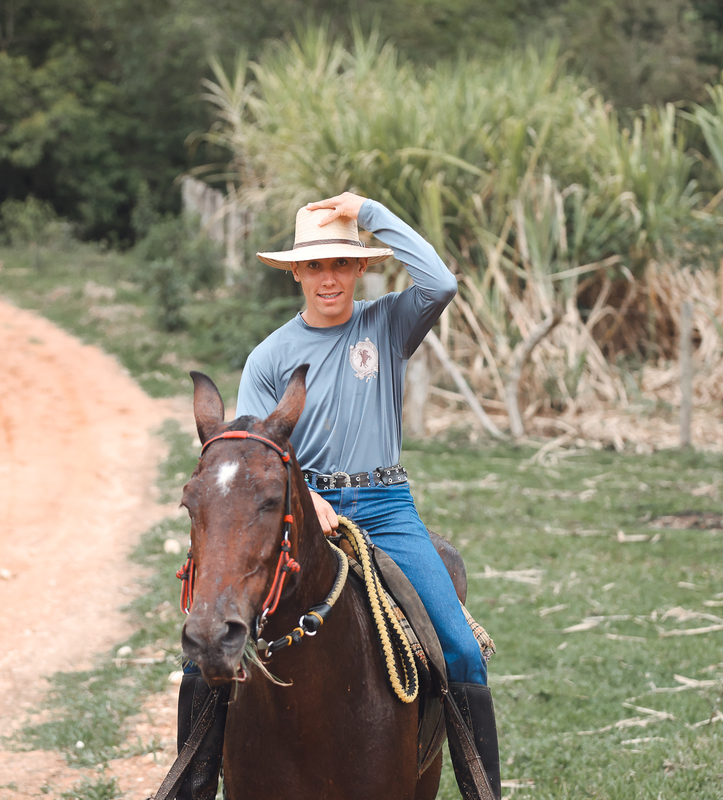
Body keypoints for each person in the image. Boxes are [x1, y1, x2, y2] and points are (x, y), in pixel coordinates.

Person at [174, 192, 501, 800]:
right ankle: (191, 784)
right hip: (301, 514)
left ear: (360, 268)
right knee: (205, 651)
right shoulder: (269, 357)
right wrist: (308, 498)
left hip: (386, 508)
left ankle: (483, 790)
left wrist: (370, 212)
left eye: (342, 264)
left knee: (459, 648)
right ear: (297, 272)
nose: (329, 279)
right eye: (316, 265)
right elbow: (254, 460)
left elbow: (441, 282)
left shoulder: (388, 324)